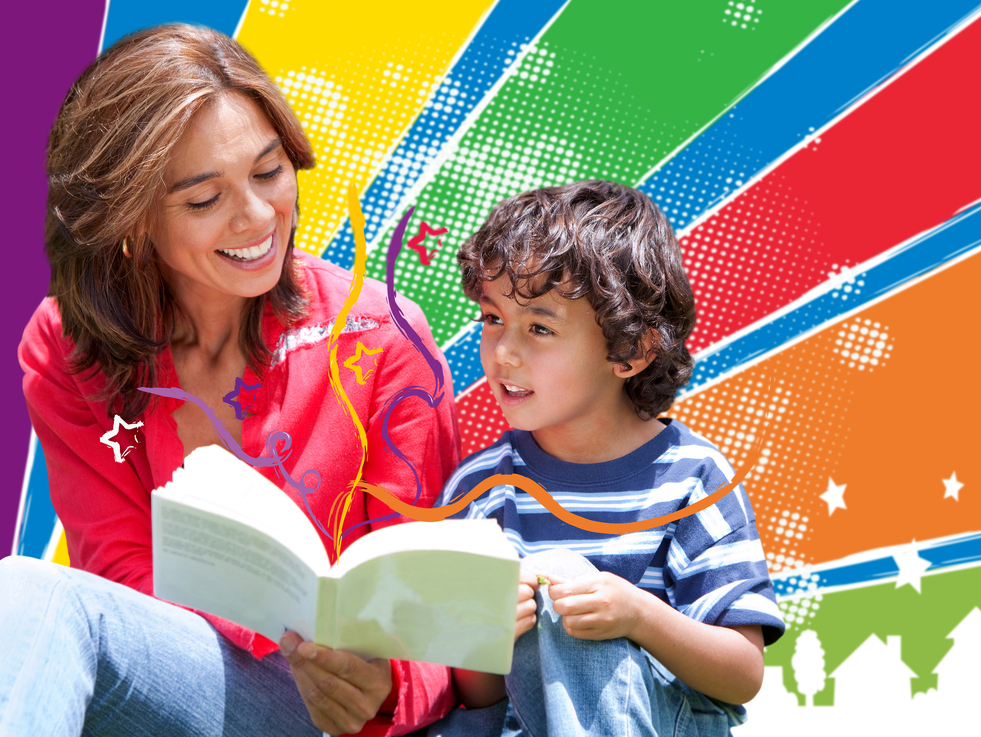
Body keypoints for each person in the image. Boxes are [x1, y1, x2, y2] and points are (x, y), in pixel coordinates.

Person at [3, 24, 460, 737]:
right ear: (132, 219)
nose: (256, 217)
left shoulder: (383, 335)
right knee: (26, 590)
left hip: (340, 714)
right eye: (202, 199)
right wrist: (266, 630)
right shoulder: (68, 344)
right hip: (189, 681)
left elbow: (434, 602)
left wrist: (383, 680)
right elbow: (121, 578)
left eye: (269, 171)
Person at [428, 181, 786, 737]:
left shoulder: (696, 480)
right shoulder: (480, 488)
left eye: (540, 328)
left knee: (569, 581)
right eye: (492, 319)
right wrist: (487, 635)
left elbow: (742, 674)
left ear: (631, 350)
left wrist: (639, 616)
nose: (503, 352)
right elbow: (480, 697)